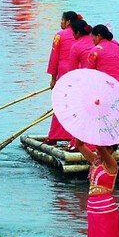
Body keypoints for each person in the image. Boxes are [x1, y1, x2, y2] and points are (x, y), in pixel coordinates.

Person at [46, 11, 81, 143]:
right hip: (80, 73)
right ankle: (76, 136)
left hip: (64, 73)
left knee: (61, 103)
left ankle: (55, 136)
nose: (61, 23)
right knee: (78, 104)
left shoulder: (59, 35)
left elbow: (54, 58)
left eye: (62, 20)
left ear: (67, 22)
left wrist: (53, 79)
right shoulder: (84, 35)